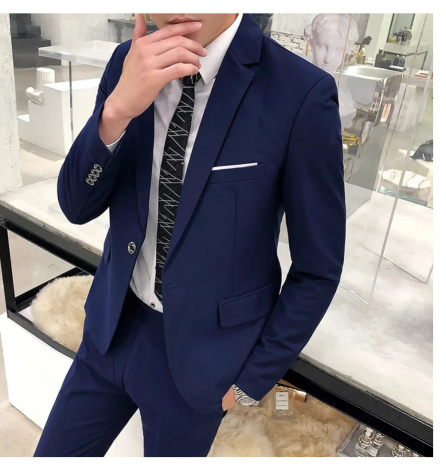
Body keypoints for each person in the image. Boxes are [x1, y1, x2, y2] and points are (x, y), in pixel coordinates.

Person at [34, 12, 346, 457]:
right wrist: (116, 111)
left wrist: (251, 381)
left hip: (203, 364)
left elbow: (318, 267)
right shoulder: (128, 62)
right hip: (110, 327)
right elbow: (76, 205)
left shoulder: (299, 91)